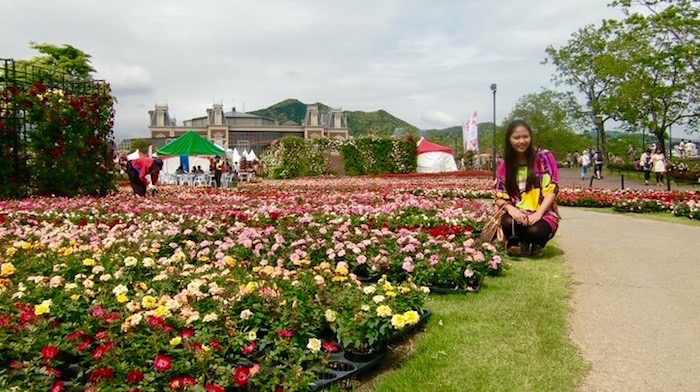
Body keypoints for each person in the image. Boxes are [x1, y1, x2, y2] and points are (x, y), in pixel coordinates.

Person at [494, 120, 560, 257]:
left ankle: (537, 243)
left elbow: (552, 189)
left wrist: (538, 214)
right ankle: (516, 242)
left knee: (535, 231)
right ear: (509, 140)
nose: (521, 141)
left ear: (531, 137)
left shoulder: (543, 158)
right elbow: (499, 196)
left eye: (525, 136)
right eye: (516, 138)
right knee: (508, 222)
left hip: (543, 211)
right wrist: (512, 210)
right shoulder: (505, 166)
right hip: (518, 212)